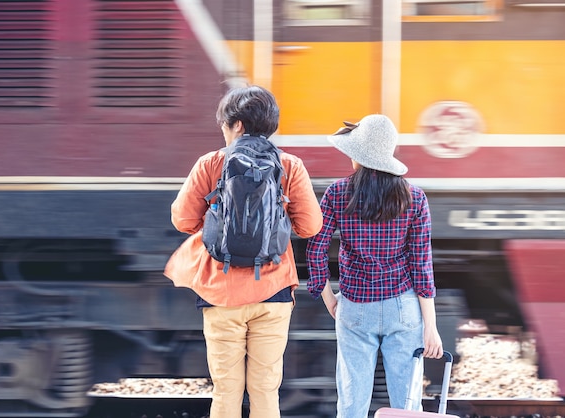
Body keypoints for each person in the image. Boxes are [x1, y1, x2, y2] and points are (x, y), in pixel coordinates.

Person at [164, 85, 323, 418]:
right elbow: (310, 226)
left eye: (224, 124)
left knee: (226, 391)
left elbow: (182, 219)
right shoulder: (290, 165)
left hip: (220, 294)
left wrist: (217, 226)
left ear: (236, 125)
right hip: (273, 293)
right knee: (265, 390)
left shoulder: (211, 163)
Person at [305, 114, 443, 418]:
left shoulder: (337, 193)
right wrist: (431, 327)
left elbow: (315, 251)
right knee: (408, 406)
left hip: (355, 307)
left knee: (352, 405)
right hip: (404, 309)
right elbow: (422, 265)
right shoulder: (414, 197)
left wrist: (330, 300)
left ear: (358, 156)